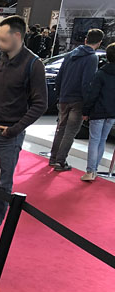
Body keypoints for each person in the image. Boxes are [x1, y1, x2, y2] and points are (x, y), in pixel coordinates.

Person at [0, 15, 47, 247]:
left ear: (18, 36)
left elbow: (40, 104)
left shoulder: (33, 64)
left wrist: (14, 129)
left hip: (9, 133)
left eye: (3, 39)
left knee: (3, 183)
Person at [49, 28, 104, 172]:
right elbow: (87, 83)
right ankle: (60, 162)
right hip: (77, 100)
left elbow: (59, 77)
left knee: (61, 128)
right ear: (99, 43)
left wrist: (60, 94)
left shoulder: (70, 54)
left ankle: (53, 158)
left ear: (86, 39)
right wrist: (87, 104)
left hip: (64, 97)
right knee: (70, 131)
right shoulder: (92, 58)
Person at [81, 42, 115, 182]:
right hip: (112, 112)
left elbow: (92, 94)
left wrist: (86, 111)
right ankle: (94, 169)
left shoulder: (101, 73)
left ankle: (91, 171)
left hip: (98, 111)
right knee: (102, 140)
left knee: (94, 140)